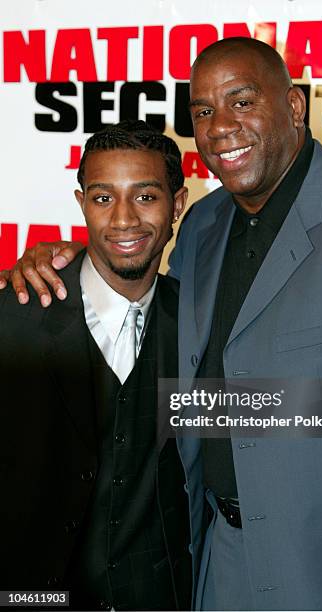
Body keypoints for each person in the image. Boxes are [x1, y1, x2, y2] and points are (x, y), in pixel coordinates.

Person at [3, 37, 322, 610]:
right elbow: (140, 286)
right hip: (217, 565)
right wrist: (68, 262)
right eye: (202, 111)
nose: (219, 126)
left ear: (294, 106)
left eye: (241, 101)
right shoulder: (202, 226)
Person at [0, 120, 191, 611]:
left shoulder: (200, 321)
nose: (124, 219)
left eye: (146, 196)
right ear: (82, 202)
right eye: (104, 198)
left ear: (179, 203)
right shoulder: (13, 313)